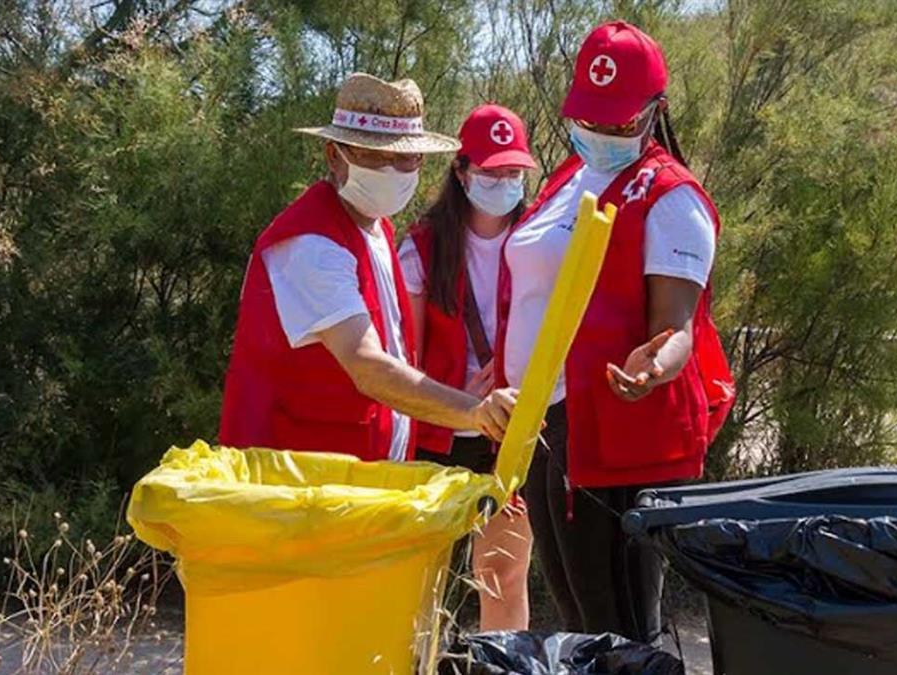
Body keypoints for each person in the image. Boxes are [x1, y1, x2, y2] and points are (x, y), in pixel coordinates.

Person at [493, 22, 736, 643]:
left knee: (619, 625)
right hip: (549, 425)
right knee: (578, 619)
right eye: (590, 120)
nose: (601, 135)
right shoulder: (570, 177)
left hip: (619, 439)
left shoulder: (672, 198)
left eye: (620, 123)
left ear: (655, 113)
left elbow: (675, 327)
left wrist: (655, 365)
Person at [219, 73, 519, 461]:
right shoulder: (312, 245)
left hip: (353, 479)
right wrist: (471, 411)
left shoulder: (374, 228)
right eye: (375, 156)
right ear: (334, 155)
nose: (393, 169)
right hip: (297, 484)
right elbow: (367, 366)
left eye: (406, 157)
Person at [398, 104, 537, 631]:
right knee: (420, 586)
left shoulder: (539, 240)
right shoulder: (422, 247)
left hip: (509, 435)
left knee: (502, 579)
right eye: (491, 171)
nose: (504, 182)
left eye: (514, 172)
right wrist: (456, 395)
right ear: (461, 173)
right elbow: (403, 357)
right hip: (436, 435)